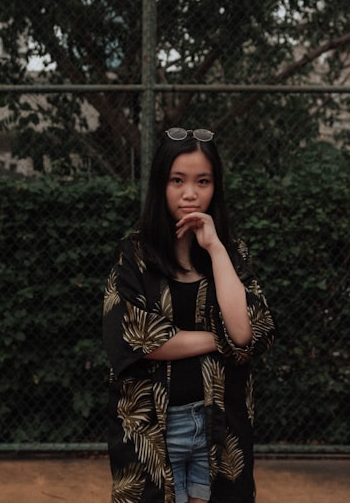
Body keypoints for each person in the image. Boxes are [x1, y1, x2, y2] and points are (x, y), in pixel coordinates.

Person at [103, 127, 276, 503]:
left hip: (219, 423)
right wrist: (219, 339)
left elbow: (248, 332)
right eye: (177, 180)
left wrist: (215, 248)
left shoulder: (231, 252)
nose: (190, 193)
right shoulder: (133, 255)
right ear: (160, 185)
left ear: (216, 187)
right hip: (151, 427)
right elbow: (138, 338)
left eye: (203, 181)